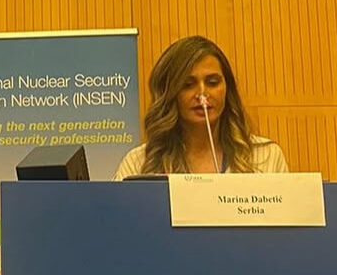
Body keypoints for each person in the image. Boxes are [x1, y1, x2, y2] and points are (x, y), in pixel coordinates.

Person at [114, 35, 288, 177]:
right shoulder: (138, 163)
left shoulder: (266, 157)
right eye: (188, 85)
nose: (202, 94)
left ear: (227, 89)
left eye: (212, 82)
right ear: (170, 94)